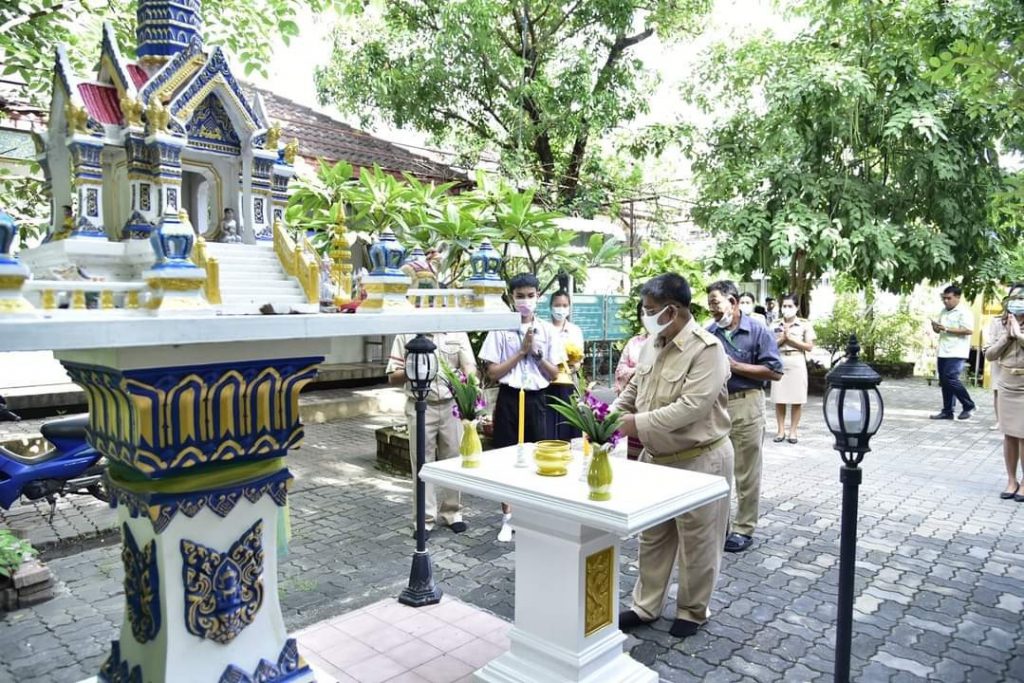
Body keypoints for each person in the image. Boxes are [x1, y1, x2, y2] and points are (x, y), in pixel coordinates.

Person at [614, 273, 734, 639]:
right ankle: (646, 606)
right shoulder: (653, 343)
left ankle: (692, 610)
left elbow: (692, 407)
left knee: (699, 541)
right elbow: (635, 387)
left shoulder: (707, 349)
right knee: (653, 536)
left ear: (673, 310)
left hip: (700, 459)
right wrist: (607, 419)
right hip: (657, 459)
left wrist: (634, 424)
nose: (645, 315)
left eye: (650, 309)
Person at [479, 272, 565, 541]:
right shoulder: (500, 328)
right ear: (511, 297)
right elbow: (493, 372)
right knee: (506, 456)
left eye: (530, 295)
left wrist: (536, 354)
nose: (525, 301)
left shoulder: (548, 330)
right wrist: (521, 352)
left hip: (537, 399)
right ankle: (508, 517)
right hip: (509, 397)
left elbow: (554, 373)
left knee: (538, 456)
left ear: (538, 296)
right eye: (520, 296)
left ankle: (534, 516)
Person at [706, 280, 783, 554]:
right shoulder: (710, 332)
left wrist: (736, 366)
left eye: (716, 303)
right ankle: (721, 526)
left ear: (733, 302)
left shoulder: (758, 330)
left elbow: (775, 371)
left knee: (747, 470)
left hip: (747, 402)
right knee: (718, 467)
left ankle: (744, 528)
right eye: (710, 305)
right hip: (717, 406)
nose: (713, 309)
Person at [387, 332, 476, 536]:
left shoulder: (456, 331)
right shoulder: (406, 334)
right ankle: (424, 520)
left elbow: (469, 367)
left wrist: (470, 386)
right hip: (420, 404)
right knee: (421, 463)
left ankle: (452, 513)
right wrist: (416, 367)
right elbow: (393, 376)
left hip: (452, 405)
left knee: (454, 460)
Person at [985, 283, 1024, 500]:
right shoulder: (998, 323)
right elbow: (990, 354)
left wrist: (1019, 335)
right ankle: (1011, 480)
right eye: (1014, 298)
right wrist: (1007, 337)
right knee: (1009, 435)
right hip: (1007, 383)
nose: (1018, 302)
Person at [770, 294, 816, 443]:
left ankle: (793, 431)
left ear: (796, 307)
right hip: (780, 361)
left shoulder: (804, 324)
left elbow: (809, 346)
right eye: (784, 306)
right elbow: (768, 346)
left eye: (790, 306)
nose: (787, 309)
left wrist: (791, 339)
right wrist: (782, 339)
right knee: (779, 398)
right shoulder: (774, 324)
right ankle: (780, 431)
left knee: (797, 398)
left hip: (797, 360)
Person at [930, 284, 976, 420]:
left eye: (949, 298)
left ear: (957, 297)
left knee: (951, 378)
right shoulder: (943, 311)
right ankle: (947, 411)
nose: (946, 301)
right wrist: (935, 327)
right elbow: (939, 330)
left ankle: (969, 405)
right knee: (944, 381)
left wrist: (946, 329)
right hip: (943, 351)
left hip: (957, 351)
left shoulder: (964, 312)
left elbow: (968, 330)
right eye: (944, 298)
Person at [546, 290, 585, 440]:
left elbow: (579, 360)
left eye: (564, 305)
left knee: (568, 422)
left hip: (568, 382)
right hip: (547, 382)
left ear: (569, 307)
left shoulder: (575, 331)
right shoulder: (544, 328)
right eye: (557, 305)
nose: (561, 309)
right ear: (551, 306)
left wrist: (569, 367)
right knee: (548, 422)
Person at [984, 303, 1009, 431]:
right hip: (998, 360)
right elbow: (989, 343)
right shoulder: (997, 321)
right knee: (998, 391)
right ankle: (1000, 421)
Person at [614, 302, 648, 394]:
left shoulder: (667, 342)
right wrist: (638, 371)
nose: (646, 317)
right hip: (630, 395)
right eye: (642, 313)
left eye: (651, 312)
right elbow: (620, 370)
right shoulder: (633, 342)